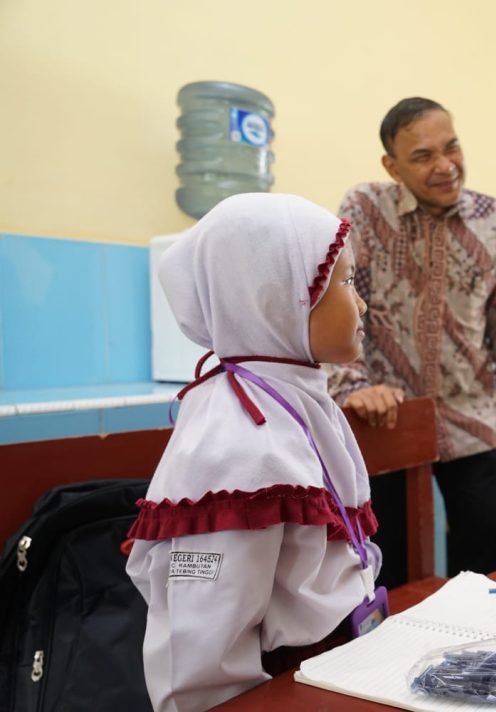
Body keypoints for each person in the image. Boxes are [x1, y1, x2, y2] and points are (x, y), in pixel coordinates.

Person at [126, 193, 381, 711]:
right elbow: (200, 655)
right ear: (281, 295)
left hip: (337, 663)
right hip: (281, 690)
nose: (362, 304)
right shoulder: (237, 440)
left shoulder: (298, 396)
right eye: (347, 281)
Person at [328, 97, 496, 589]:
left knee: (484, 562)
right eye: (422, 156)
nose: (445, 166)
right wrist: (353, 386)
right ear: (391, 166)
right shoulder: (364, 209)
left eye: (452, 147)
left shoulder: (493, 218)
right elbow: (340, 299)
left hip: (471, 413)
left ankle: (482, 662)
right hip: (389, 415)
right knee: (390, 568)